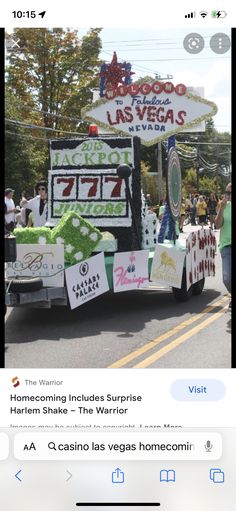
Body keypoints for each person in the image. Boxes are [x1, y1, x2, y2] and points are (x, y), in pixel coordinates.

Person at [215, 182, 231, 308]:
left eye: (230, 193)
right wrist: (221, 208)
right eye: (227, 193)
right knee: (227, 278)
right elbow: (218, 225)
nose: (228, 195)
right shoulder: (224, 207)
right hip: (226, 246)